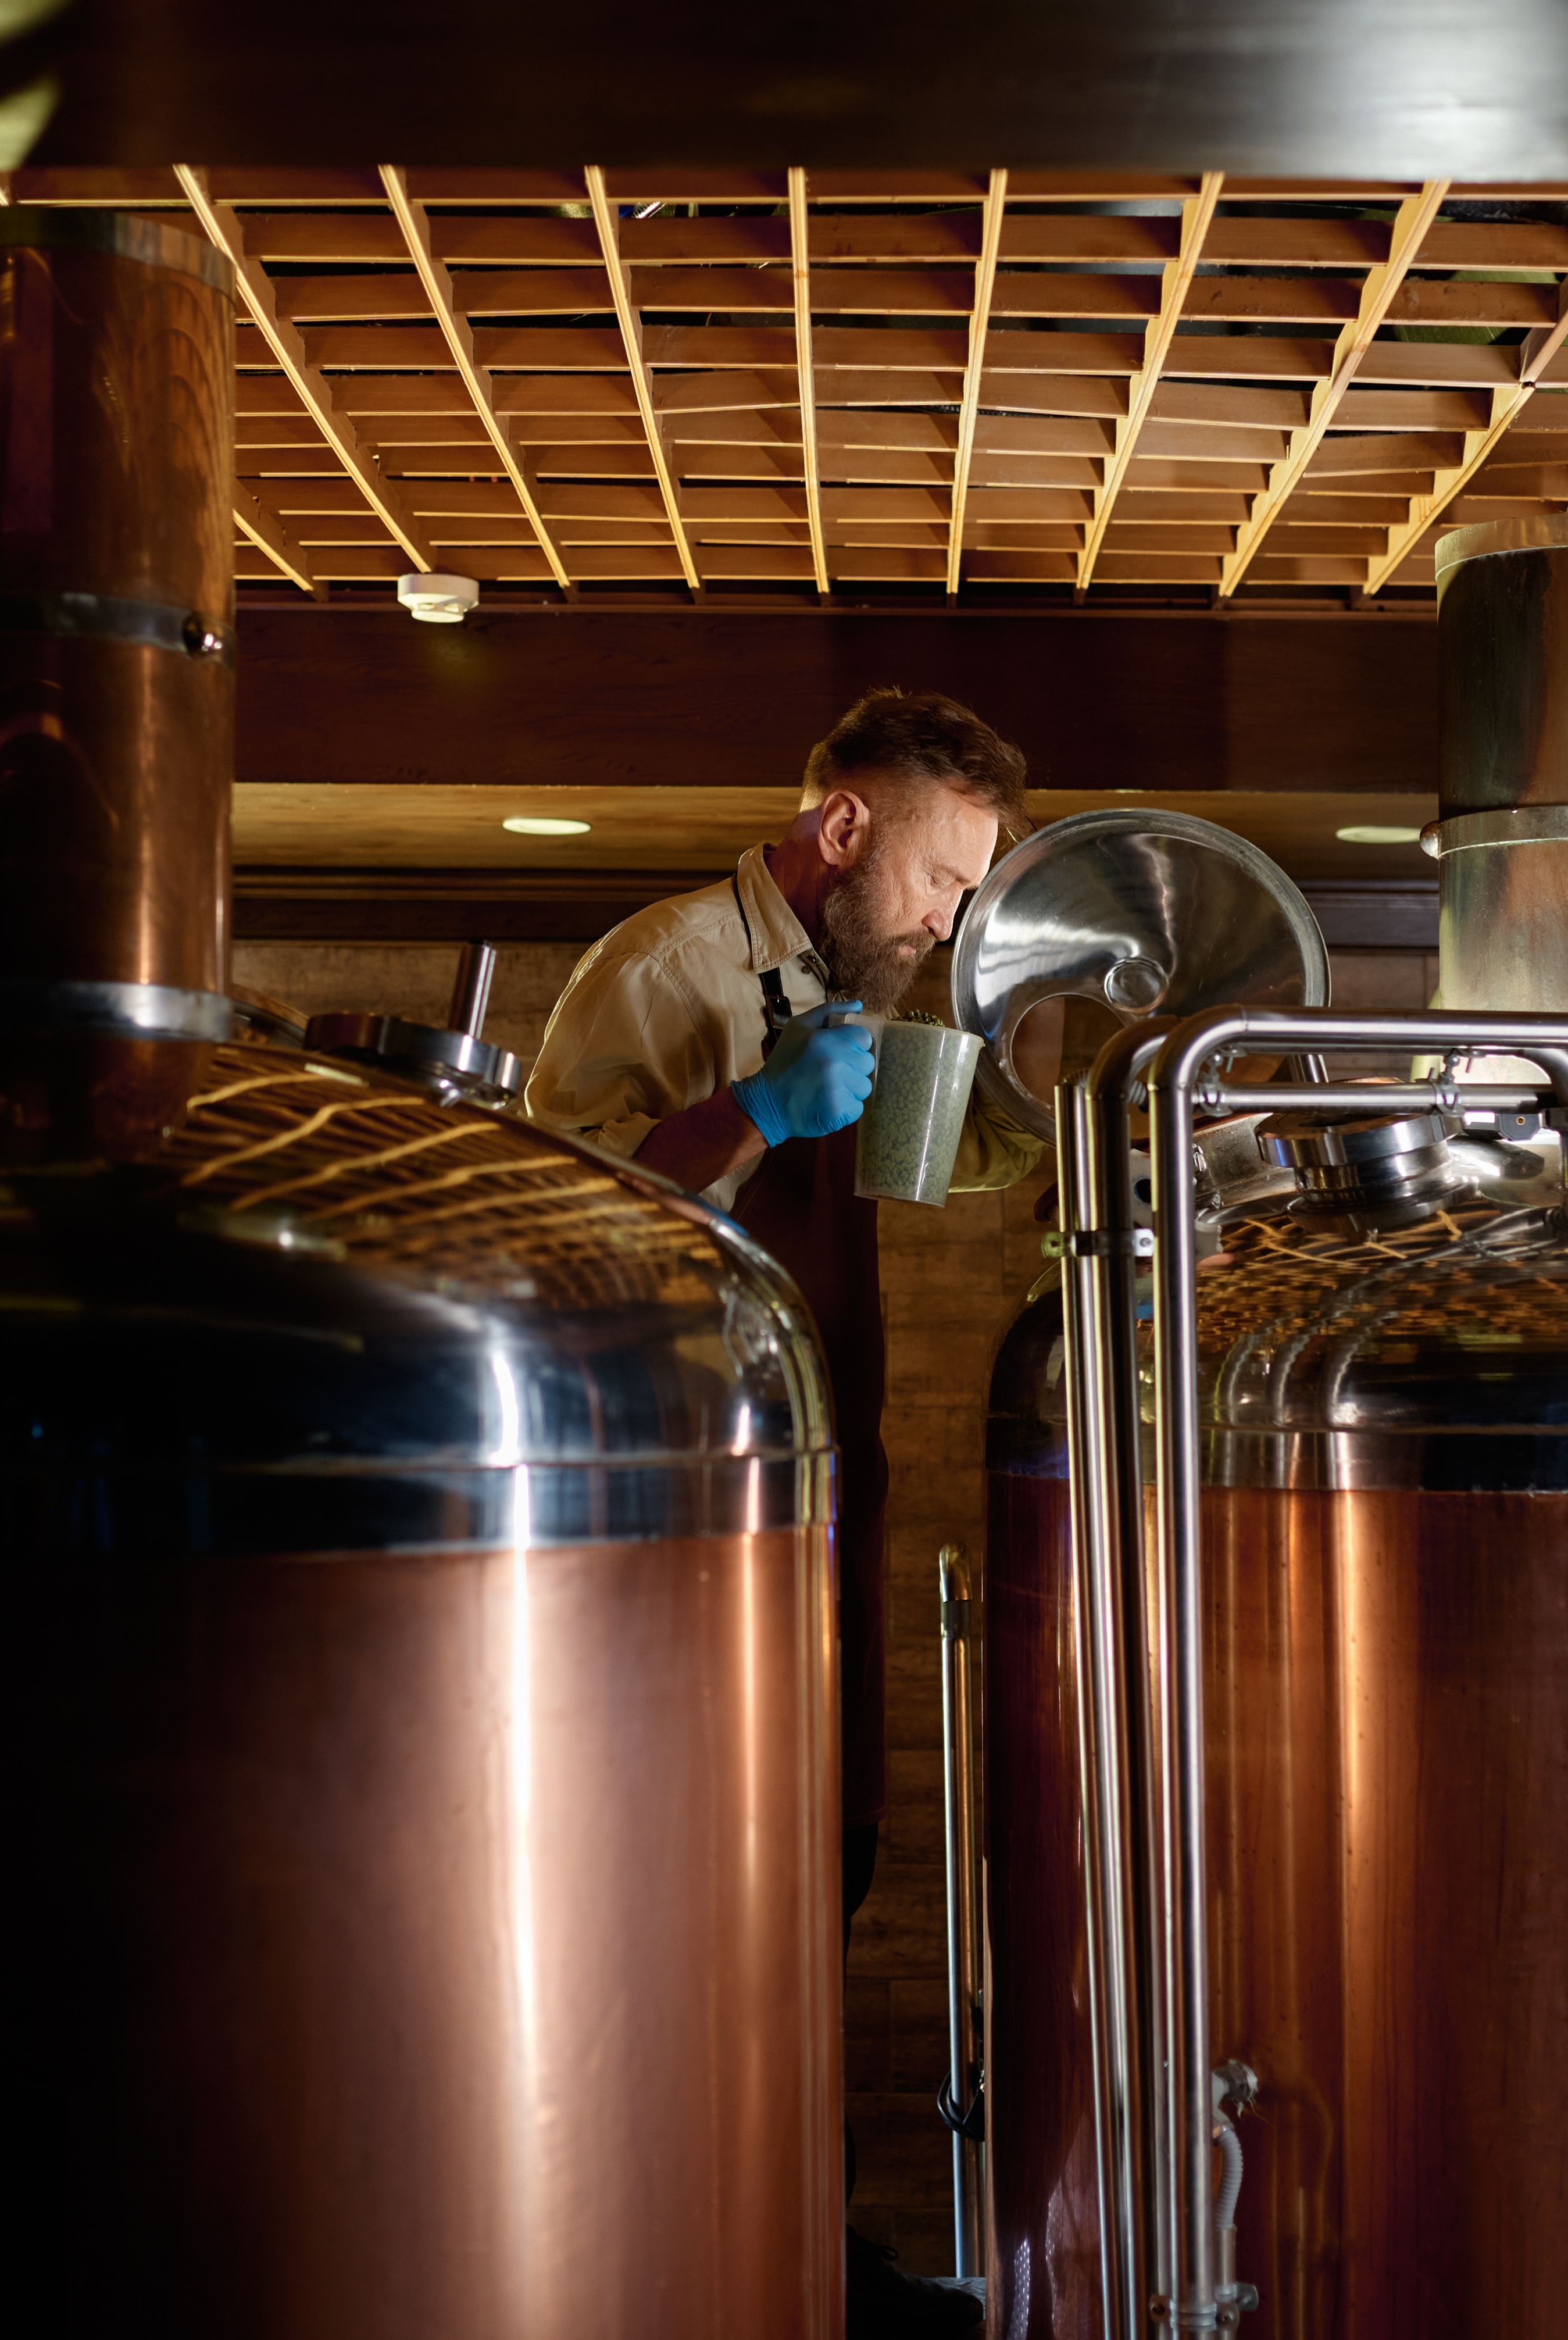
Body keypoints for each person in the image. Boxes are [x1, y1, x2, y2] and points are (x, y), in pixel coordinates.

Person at [524, 687, 1040, 2338]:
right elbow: (553, 1230)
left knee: (822, 1876)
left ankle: (793, 2242)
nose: (956, 917)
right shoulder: (668, 968)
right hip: (682, 1516)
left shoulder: (847, 989)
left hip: (829, 1496)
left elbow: (901, 1182)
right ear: (841, 829)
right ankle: (666, 2259)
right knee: (688, 1888)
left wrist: (1014, 1129)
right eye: (946, 878)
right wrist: (750, 1109)